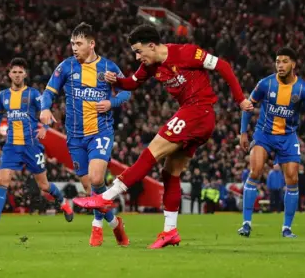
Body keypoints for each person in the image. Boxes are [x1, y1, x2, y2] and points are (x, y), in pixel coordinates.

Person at [73, 24, 252, 249]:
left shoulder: (186, 52)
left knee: (151, 151)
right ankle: (170, 231)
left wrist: (240, 99)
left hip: (198, 111)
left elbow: (223, 66)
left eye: (139, 51)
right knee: (170, 173)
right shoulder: (150, 66)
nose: (137, 57)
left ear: (151, 45)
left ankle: (106, 197)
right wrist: (115, 81)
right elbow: (132, 83)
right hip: (195, 116)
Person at [39, 23, 131, 247]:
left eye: (78, 44)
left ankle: (96, 228)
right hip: (75, 136)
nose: (74, 48)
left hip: (101, 131)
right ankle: (114, 224)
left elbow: (127, 90)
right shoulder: (66, 67)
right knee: (90, 188)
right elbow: (49, 92)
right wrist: (44, 108)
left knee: (97, 178)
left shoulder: (108, 67)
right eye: (72, 43)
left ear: (92, 44)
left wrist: (112, 101)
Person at [0, 57, 73, 235]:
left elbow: (46, 111)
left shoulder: (33, 94)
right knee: (2, 180)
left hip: (31, 146)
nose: (17, 75)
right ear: (9, 74)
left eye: (20, 72)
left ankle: (63, 204)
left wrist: (45, 127)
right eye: (14, 71)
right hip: (11, 146)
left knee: (44, 186)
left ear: (25, 74)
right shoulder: (3, 96)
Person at [238, 47, 305, 238]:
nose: (280, 65)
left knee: (292, 179)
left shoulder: (303, 89)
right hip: (264, 134)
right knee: (256, 170)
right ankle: (246, 224)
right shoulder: (265, 84)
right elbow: (247, 106)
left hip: (288, 136)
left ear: (293, 64)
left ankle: (286, 228)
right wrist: (243, 133)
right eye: (277, 61)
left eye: (284, 61)